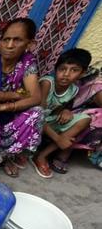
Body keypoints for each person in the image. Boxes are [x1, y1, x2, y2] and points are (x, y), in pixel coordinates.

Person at [0, 18, 44, 177]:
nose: (10, 45)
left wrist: (5, 106)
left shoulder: (27, 62)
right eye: (6, 39)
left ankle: (6, 156)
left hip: (9, 113)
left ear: (29, 44)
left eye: (17, 40)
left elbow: (35, 97)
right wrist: (13, 95)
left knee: (37, 112)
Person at [32, 49, 96, 177]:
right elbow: (37, 114)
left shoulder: (74, 89)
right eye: (62, 69)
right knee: (37, 113)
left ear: (82, 73)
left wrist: (66, 110)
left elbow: (58, 108)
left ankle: (41, 156)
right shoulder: (47, 83)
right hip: (33, 120)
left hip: (49, 121)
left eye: (74, 70)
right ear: (56, 69)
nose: (66, 74)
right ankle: (32, 152)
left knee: (85, 119)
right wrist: (58, 138)